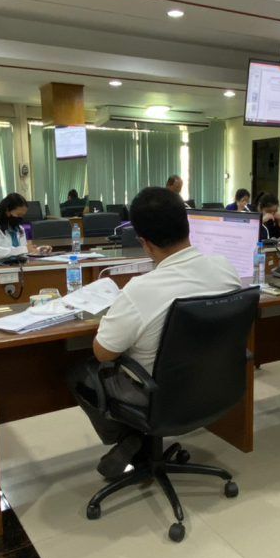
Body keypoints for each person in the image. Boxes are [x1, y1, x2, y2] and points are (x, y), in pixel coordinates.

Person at [68, 186, 241, 478]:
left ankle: (131, 439)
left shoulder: (141, 289)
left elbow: (103, 352)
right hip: (213, 388)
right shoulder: (225, 268)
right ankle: (140, 441)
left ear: (145, 243)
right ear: (187, 226)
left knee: (80, 373)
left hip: (160, 399)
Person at [0, 192, 52, 259]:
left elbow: (24, 252)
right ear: (7, 211)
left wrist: (38, 250)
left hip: (19, 265)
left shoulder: (20, 229)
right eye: (18, 214)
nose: (20, 218)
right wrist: (24, 249)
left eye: (22, 215)